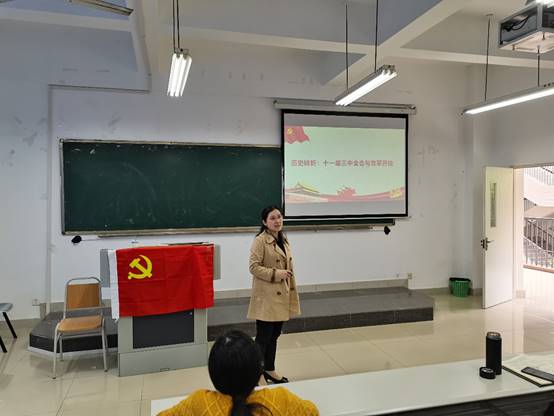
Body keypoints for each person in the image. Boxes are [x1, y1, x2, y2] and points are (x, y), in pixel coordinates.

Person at [156, 330, 318, 416]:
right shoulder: (281, 399)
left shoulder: (199, 402)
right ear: (258, 371)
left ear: (213, 373)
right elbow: (312, 411)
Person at [247, 205, 301, 384]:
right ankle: (256, 373)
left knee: (275, 335)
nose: (277, 221)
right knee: (263, 337)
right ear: (264, 222)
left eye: (279, 216)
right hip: (267, 296)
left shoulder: (283, 238)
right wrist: (277, 274)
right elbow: (253, 267)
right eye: (272, 218)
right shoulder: (260, 240)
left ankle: (269, 369)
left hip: (281, 295)